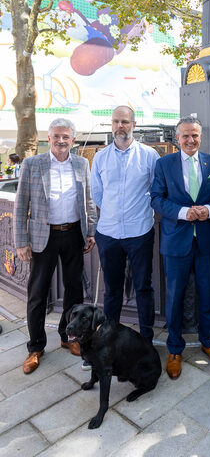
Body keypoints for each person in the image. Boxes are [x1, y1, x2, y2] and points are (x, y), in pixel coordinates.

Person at [14, 118, 97, 374]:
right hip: (42, 236)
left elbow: (89, 200)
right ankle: (35, 347)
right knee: (38, 294)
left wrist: (90, 231)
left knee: (74, 291)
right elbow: (20, 206)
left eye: (66, 137)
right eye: (57, 136)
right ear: (48, 139)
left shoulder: (82, 163)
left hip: (73, 234)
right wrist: (21, 242)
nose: (61, 141)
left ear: (73, 140)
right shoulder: (32, 164)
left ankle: (67, 337)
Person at [151, 117, 210, 379]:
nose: (190, 140)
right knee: (174, 298)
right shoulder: (164, 164)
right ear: (177, 137)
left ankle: (209, 341)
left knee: (207, 293)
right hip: (176, 242)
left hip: (205, 241)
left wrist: (208, 209)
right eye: (185, 136)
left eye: (195, 135)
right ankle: (174, 348)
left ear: (200, 137)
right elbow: (156, 199)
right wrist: (183, 212)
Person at [91, 106, 159, 342]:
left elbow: (155, 191)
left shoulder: (150, 155)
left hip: (139, 231)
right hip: (108, 234)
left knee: (143, 288)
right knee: (112, 292)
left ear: (134, 125)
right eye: (116, 122)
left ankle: (146, 339)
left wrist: (137, 212)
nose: (120, 126)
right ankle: (108, 341)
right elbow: (97, 194)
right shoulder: (100, 157)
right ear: (111, 124)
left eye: (125, 122)